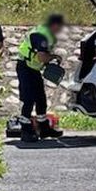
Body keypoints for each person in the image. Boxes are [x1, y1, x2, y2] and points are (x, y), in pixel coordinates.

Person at [17, 14, 65, 142]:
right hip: (25, 67)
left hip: (33, 68)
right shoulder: (41, 35)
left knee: (40, 98)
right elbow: (41, 57)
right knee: (28, 98)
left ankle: (44, 127)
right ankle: (25, 129)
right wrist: (54, 57)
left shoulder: (45, 33)